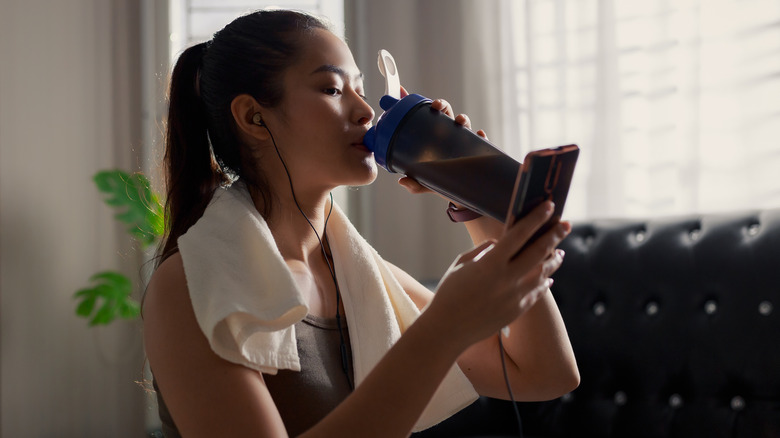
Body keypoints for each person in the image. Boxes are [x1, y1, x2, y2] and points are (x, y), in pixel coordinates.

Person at [143, 9, 579, 438]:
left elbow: (544, 374)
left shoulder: (360, 277)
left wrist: (473, 197)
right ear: (254, 117)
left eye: (362, 90)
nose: (366, 111)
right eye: (332, 89)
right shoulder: (188, 287)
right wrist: (442, 328)